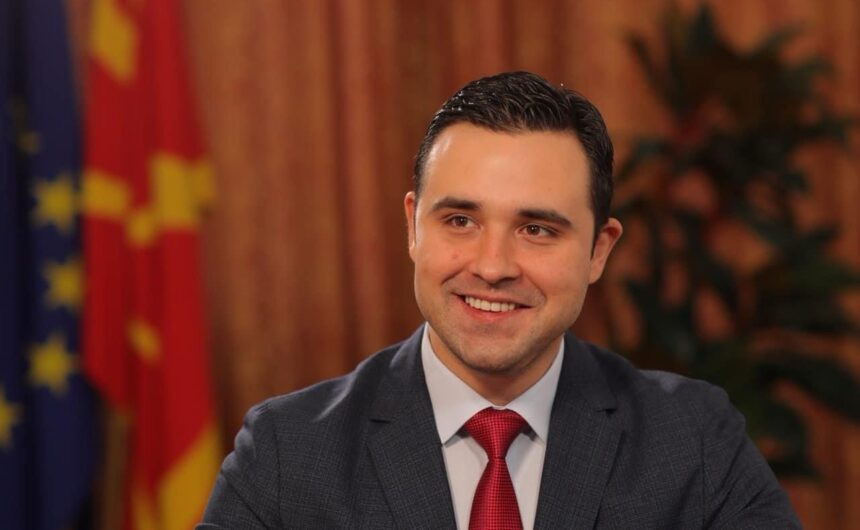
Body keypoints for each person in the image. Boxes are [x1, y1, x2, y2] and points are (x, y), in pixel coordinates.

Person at [197, 71, 800, 529]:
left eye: (537, 229)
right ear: (412, 228)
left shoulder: (693, 441)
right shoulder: (287, 455)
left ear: (599, 250)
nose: (491, 267)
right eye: (459, 220)